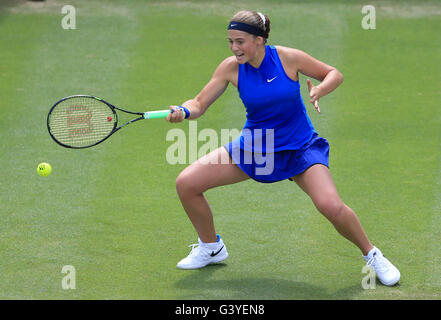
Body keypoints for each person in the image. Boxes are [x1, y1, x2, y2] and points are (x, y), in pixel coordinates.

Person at [166, 10, 400, 286]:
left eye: (240, 41)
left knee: (330, 206)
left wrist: (320, 89)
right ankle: (210, 247)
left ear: (259, 39)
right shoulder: (230, 67)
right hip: (257, 147)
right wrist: (183, 110)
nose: (234, 48)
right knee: (187, 184)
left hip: (298, 146)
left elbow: (333, 74)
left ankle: (372, 254)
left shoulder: (288, 58)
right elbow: (199, 103)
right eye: (230, 41)